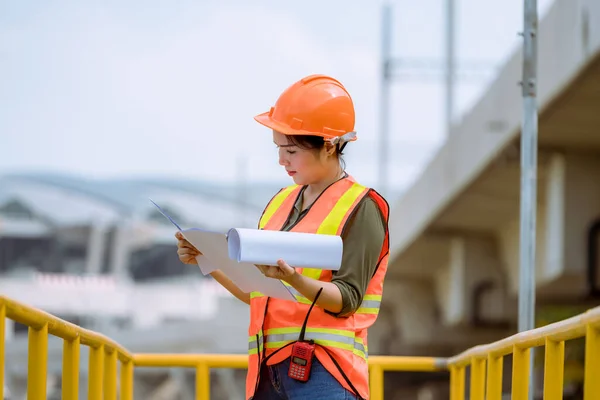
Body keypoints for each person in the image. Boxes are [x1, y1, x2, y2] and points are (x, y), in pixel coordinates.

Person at [176, 74, 390, 400]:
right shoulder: (279, 203)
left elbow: (347, 299)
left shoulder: (362, 208)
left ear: (329, 146)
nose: (281, 160)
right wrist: (205, 258)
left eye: (290, 150)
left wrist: (293, 279)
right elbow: (260, 295)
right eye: (278, 148)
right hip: (267, 373)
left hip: (325, 373)